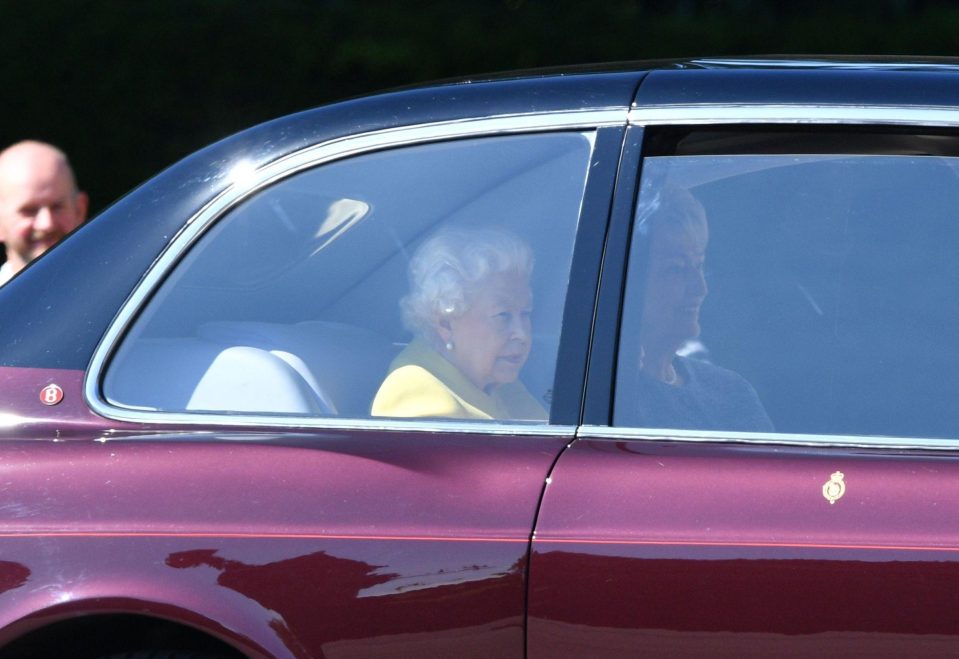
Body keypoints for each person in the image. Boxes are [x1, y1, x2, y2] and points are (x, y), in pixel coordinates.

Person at [620, 185, 774, 432]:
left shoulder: (731, 392)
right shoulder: (609, 399)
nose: (700, 288)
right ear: (629, 284)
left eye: (699, 265)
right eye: (676, 269)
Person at [371, 227, 546, 420]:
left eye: (526, 313)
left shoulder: (502, 386)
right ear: (445, 323)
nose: (521, 334)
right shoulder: (419, 400)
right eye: (502, 315)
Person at [0, 141, 88, 285]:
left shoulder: (126, 292)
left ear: (80, 210)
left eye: (57, 207)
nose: (47, 224)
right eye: (29, 210)